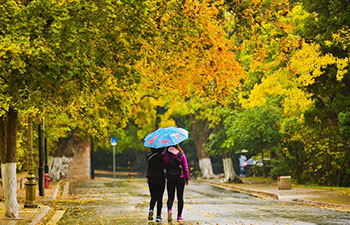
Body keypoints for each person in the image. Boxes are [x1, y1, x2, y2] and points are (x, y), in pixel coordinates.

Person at [163, 144, 190, 222]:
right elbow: (185, 167)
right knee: (180, 197)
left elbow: (163, 166)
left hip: (170, 178)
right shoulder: (181, 154)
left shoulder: (166, 155)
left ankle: (169, 210)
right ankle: (179, 216)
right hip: (180, 178)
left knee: (170, 197)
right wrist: (187, 178)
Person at [146, 148, 166, 223]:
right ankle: (158, 216)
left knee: (153, 196)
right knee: (159, 197)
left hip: (151, 178)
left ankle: (151, 209)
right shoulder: (163, 157)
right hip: (160, 178)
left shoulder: (149, 156)